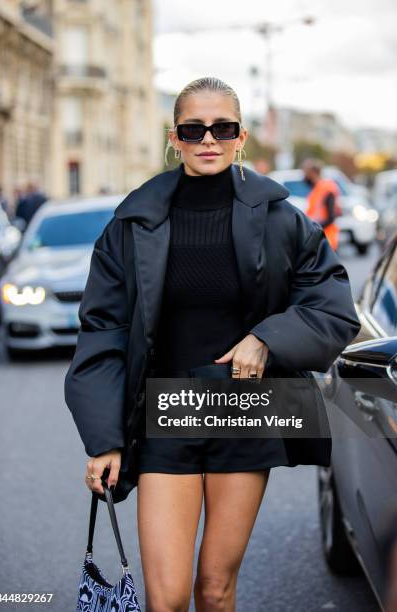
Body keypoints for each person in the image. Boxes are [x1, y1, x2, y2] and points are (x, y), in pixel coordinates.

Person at [65, 77, 361, 611]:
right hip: (163, 414)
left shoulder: (282, 221)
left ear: (240, 135)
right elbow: (103, 330)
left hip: (244, 410)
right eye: (193, 129)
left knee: (215, 590)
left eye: (222, 127)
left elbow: (333, 306)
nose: (208, 139)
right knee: (168, 598)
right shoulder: (131, 225)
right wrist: (104, 438)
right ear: (174, 138)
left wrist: (266, 339)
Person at [302, 158, 341, 251]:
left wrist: (313, 230)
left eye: (306, 173)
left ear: (313, 173)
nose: (304, 176)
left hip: (326, 240)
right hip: (319, 240)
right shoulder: (316, 189)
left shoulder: (326, 188)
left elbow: (331, 217)